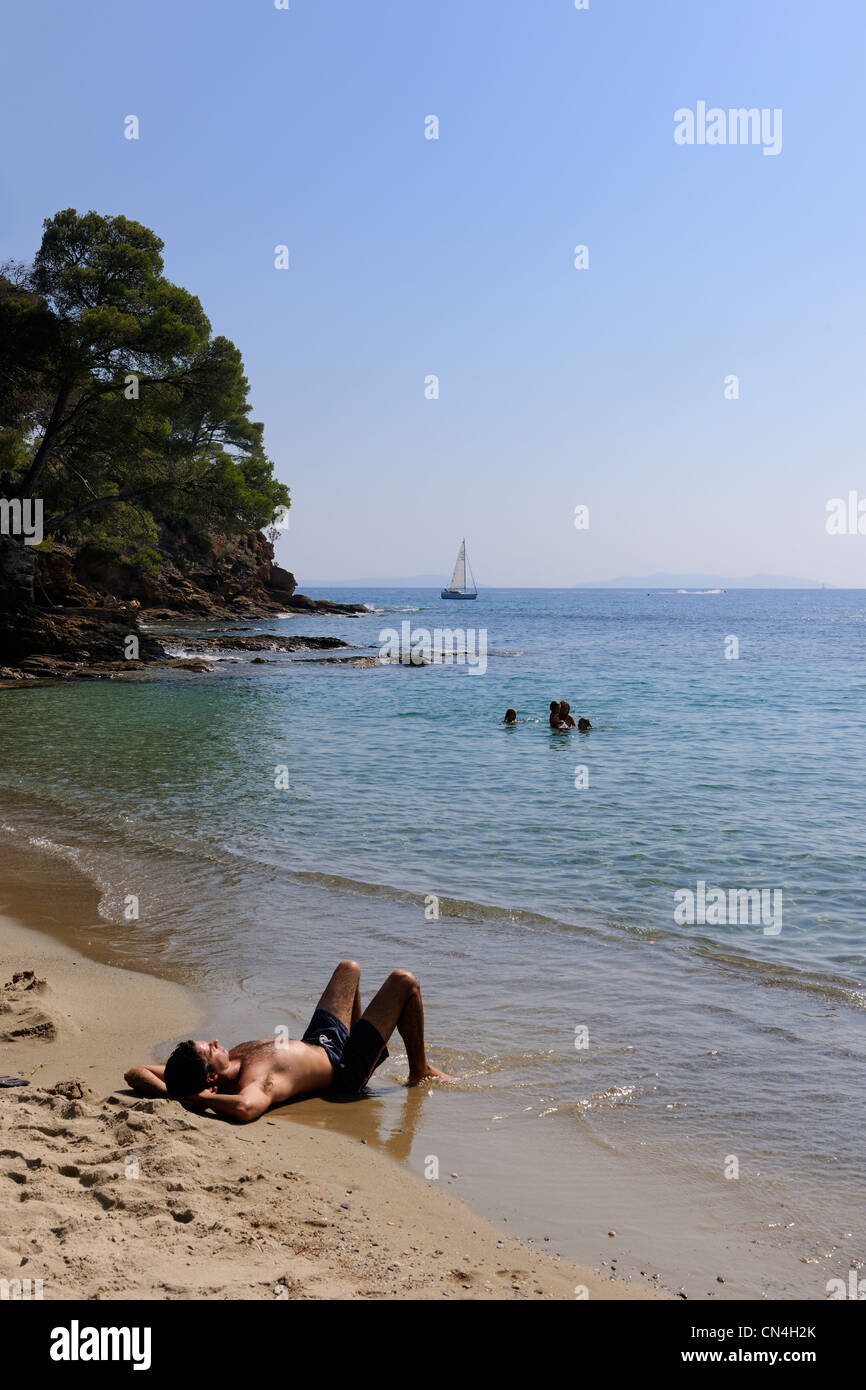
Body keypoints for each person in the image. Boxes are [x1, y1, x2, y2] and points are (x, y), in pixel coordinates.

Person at [124, 960, 454, 1123]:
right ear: (211, 1076)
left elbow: (135, 1072)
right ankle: (419, 1069)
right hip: (343, 1071)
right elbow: (244, 1109)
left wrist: (180, 1093)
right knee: (404, 981)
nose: (214, 1041)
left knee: (348, 969)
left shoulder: (209, 1071)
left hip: (322, 1042)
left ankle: (365, 1040)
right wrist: (199, 1099)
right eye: (210, 1049)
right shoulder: (254, 1082)